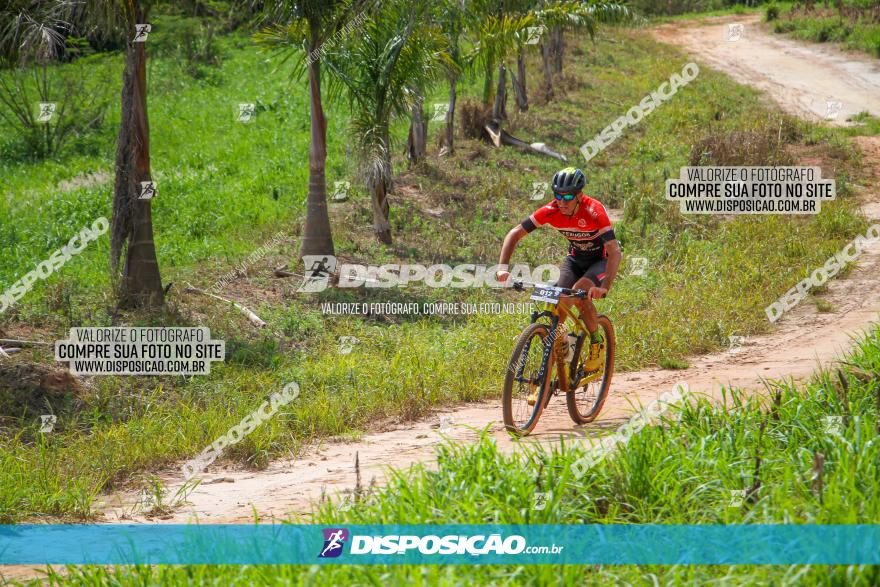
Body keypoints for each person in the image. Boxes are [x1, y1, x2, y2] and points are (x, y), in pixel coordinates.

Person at [496, 167, 622, 374]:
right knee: (558, 304)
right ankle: (553, 367)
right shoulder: (551, 210)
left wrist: (605, 286)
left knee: (581, 292)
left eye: (569, 196)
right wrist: (502, 269)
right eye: (558, 196)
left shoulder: (594, 210)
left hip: (600, 261)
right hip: (575, 260)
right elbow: (514, 233)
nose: (562, 202)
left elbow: (615, 252)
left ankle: (596, 342)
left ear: (580, 196)